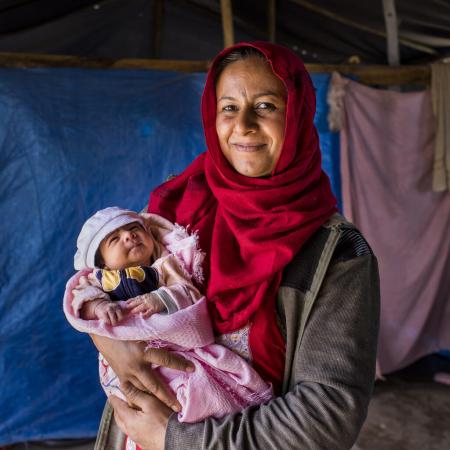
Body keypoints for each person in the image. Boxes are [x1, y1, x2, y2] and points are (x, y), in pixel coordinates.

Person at [89, 41, 380, 450]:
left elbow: (327, 414)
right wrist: (111, 342)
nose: (242, 125)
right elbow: (100, 283)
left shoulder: (337, 254)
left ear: (296, 114)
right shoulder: (175, 206)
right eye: (229, 107)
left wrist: (173, 438)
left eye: (265, 106)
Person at [64, 206, 272, 427]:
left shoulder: (163, 266)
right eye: (115, 239)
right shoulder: (99, 279)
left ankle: (207, 420)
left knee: (196, 381)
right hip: (130, 355)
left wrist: (161, 299)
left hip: (173, 345)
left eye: (134, 228)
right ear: (103, 262)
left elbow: (188, 293)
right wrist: (99, 307)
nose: (129, 235)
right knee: (138, 391)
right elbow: (82, 300)